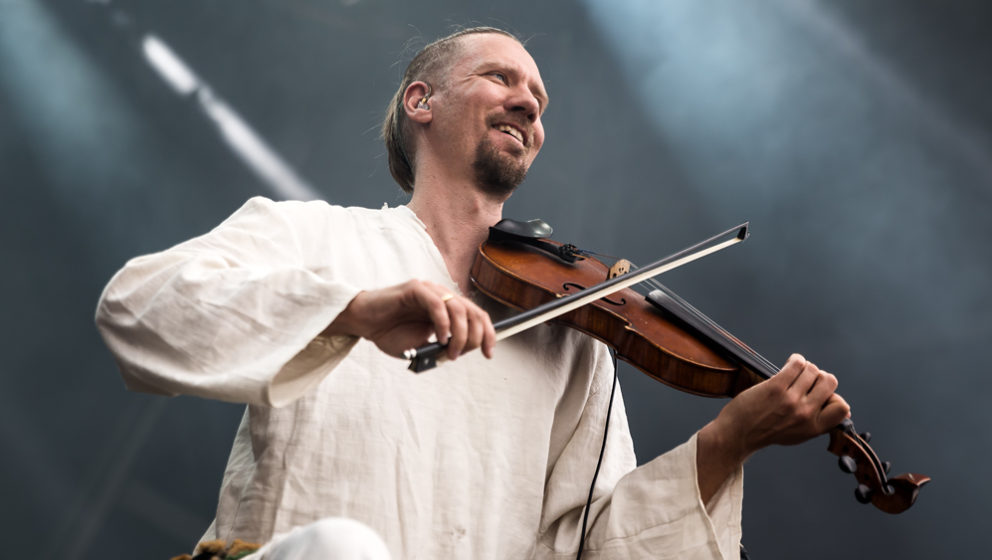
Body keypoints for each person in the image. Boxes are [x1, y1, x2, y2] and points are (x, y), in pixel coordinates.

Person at [95, 27, 850, 559]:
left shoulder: (575, 339)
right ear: (421, 101)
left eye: (540, 98)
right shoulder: (315, 236)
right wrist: (351, 311)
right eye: (501, 78)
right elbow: (136, 308)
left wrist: (727, 442)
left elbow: (598, 550)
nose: (529, 103)